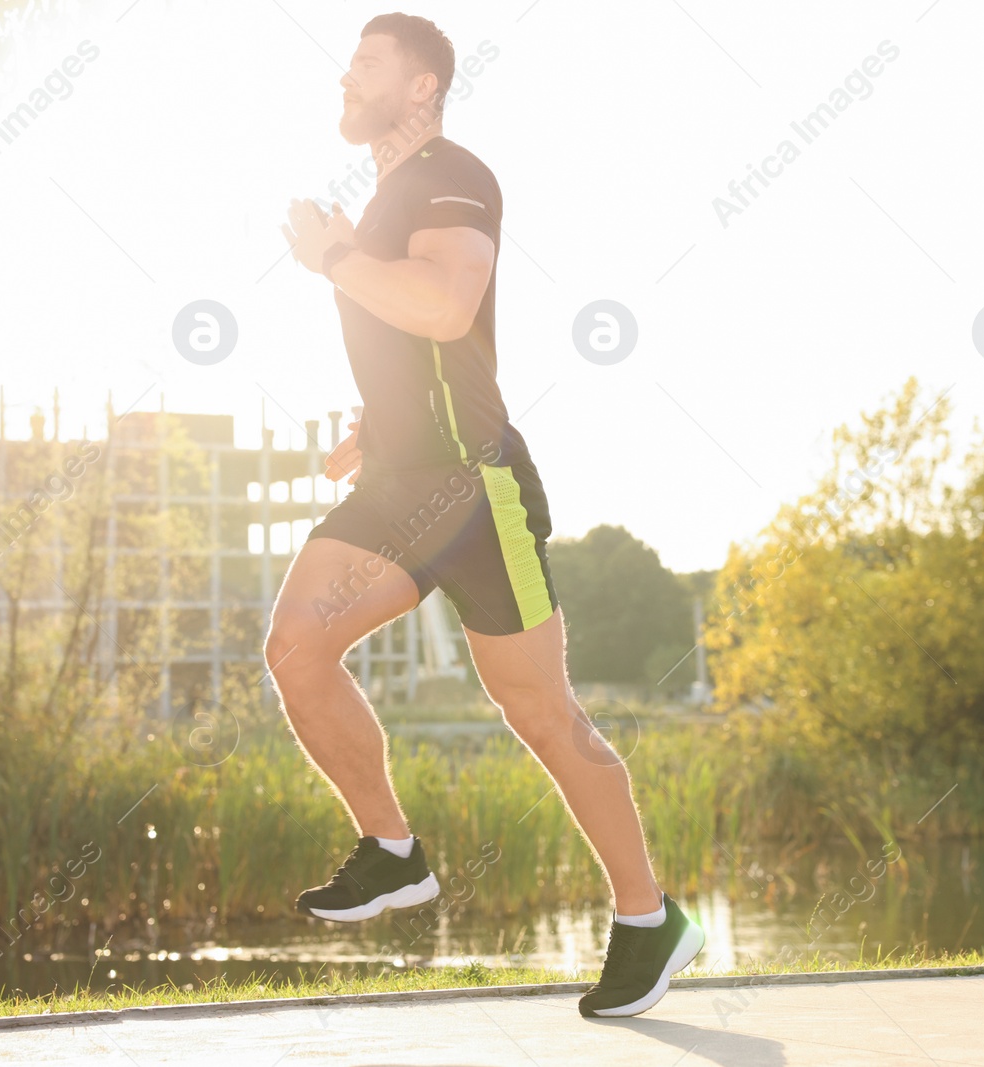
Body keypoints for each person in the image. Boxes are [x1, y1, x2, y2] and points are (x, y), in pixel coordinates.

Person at [273, 12, 702, 1018]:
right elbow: (416, 347)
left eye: (368, 64)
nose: (347, 76)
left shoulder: (450, 175)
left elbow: (445, 308)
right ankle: (392, 850)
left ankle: (649, 919)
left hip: (472, 489)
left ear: (420, 88)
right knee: (295, 645)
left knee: (543, 716)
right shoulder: (385, 197)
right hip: (397, 483)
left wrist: (334, 258)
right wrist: (374, 423)